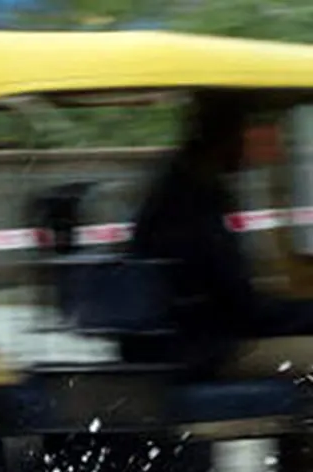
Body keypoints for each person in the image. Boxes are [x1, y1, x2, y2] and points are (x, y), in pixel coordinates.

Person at [123, 90, 313, 380]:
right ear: (231, 133)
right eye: (261, 126)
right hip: (202, 352)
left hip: (193, 342)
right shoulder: (190, 202)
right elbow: (246, 311)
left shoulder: (188, 186)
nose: (275, 139)